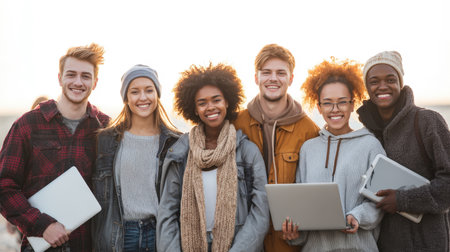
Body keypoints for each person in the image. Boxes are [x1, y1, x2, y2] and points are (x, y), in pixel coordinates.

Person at [0, 43, 110, 251]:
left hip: (92, 246)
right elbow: (4, 184)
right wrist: (42, 225)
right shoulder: (27, 125)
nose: (78, 82)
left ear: (95, 82)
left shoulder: (106, 129)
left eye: (85, 76)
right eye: (71, 74)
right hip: (40, 246)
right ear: (60, 78)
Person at [157, 63, 270, 252]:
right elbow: (167, 212)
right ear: (194, 109)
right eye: (202, 103)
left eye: (216, 100)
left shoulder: (247, 151)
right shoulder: (180, 153)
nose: (210, 107)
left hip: (237, 245)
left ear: (227, 102)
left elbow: (260, 212)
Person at [281, 57, 385, 251]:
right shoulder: (308, 149)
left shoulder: (371, 145)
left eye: (342, 102)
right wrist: (294, 233)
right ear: (319, 107)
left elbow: (380, 202)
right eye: (327, 103)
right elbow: (302, 205)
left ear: (352, 105)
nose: (335, 109)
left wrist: (358, 216)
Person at [357, 51, 450, 251]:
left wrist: (403, 200)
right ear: (367, 87)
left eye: (390, 79)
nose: (382, 86)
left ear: (400, 82)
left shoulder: (428, 121)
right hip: (383, 245)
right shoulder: (367, 134)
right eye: (374, 81)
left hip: (426, 243)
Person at [233, 43, 319, 252]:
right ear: (256, 78)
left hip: (286, 241)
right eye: (266, 72)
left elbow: (313, 189)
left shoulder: (309, 130)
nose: (273, 78)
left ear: (290, 78)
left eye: (281, 73)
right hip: (242, 238)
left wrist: (302, 228)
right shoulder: (236, 124)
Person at [91, 64, 180, 251]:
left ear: (157, 94)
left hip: (161, 236)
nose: (143, 97)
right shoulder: (106, 140)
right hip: (120, 236)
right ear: (126, 98)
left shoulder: (175, 142)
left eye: (149, 90)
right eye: (134, 92)